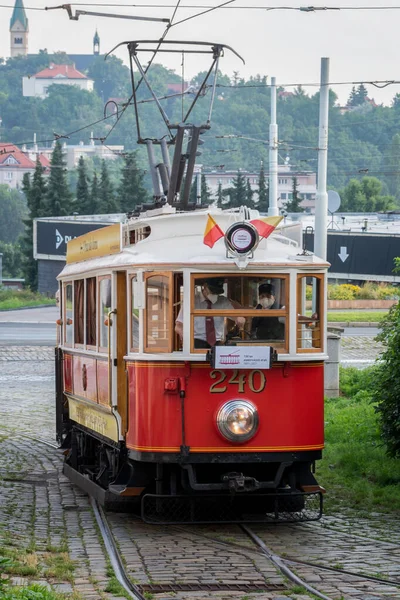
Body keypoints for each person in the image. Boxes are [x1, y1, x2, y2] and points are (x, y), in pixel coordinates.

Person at [175, 278, 245, 349]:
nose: (215, 294)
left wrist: (239, 318)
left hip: (217, 342)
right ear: (205, 287)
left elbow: (234, 315)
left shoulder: (223, 301)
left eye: (217, 292)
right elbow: (178, 326)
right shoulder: (192, 301)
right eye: (213, 291)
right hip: (196, 342)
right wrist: (186, 340)